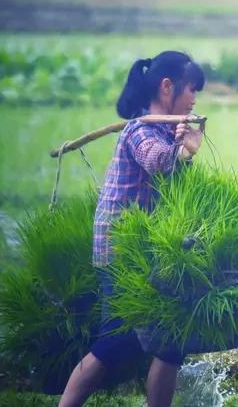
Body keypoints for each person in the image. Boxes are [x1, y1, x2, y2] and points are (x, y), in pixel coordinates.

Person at [59, 50, 205, 407]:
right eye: (191, 89)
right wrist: (185, 151)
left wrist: (181, 144)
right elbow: (157, 161)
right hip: (120, 248)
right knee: (116, 340)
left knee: (171, 342)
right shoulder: (140, 129)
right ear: (167, 86)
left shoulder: (166, 130)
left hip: (145, 249)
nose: (195, 99)